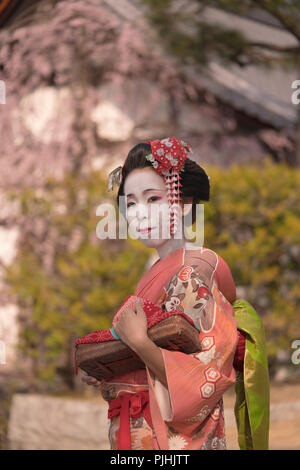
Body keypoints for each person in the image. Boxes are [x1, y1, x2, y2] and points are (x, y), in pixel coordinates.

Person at [81, 138, 269, 450]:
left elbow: (204, 376)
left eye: (152, 199)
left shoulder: (193, 273)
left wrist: (139, 342)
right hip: (137, 431)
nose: (139, 214)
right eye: (130, 204)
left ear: (183, 206)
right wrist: (109, 368)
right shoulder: (154, 270)